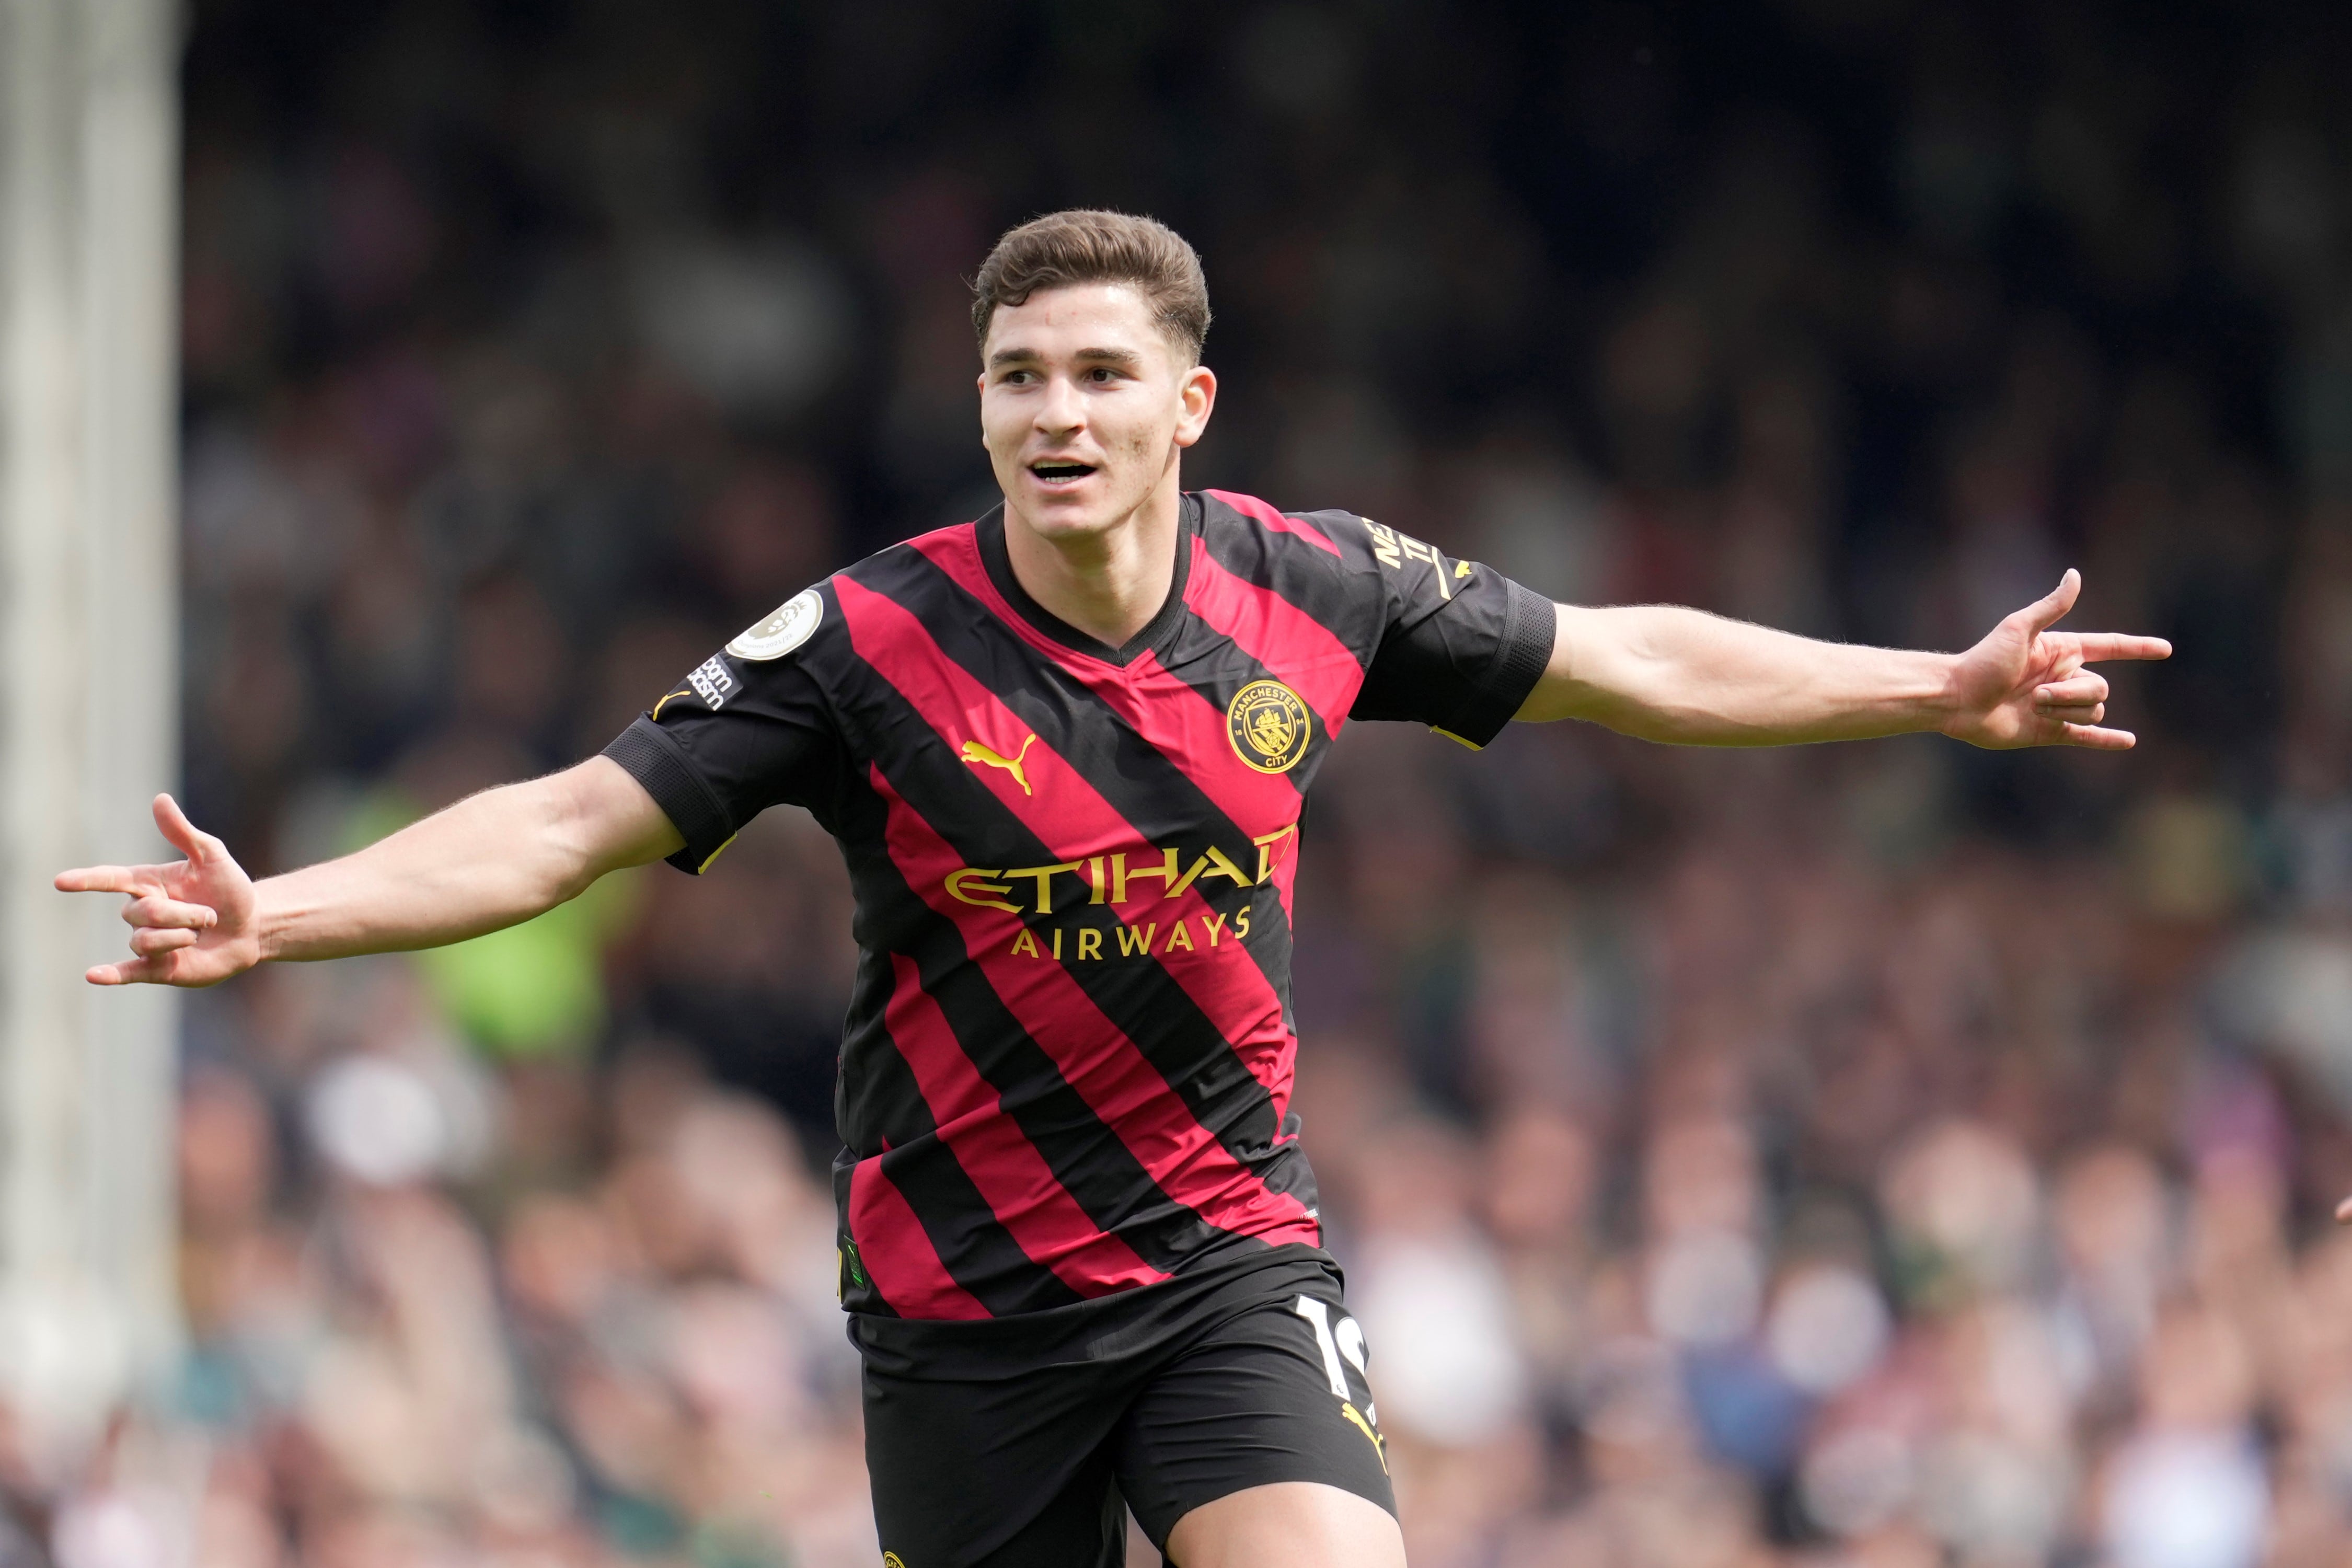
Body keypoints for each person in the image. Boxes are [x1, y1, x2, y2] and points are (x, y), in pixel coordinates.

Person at [60, 210, 2169, 1568]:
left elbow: (1636, 660)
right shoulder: (864, 647)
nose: (1053, 412)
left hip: (1221, 1263)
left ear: (1186, 406)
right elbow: (567, 819)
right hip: (961, 1318)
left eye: (1094, 376)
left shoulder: (1314, 586)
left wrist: (1936, 688)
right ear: (979, 408)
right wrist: (286, 916)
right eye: (1015, 378)